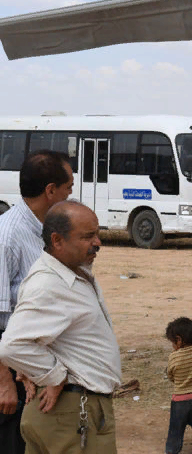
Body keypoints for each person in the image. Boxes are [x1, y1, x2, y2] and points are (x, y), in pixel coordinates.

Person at [0, 200, 121, 454]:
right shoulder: (49, 284)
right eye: (88, 236)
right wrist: (54, 375)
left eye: (97, 234)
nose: (98, 242)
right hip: (73, 413)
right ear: (57, 241)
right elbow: (12, 345)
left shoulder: (71, 273)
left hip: (69, 411)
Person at [0, 150, 74, 454]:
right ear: (50, 191)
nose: (72, 193)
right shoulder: (8, 236)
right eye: (68, 186)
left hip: (38, 368)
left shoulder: (47, 232)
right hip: (12, 374)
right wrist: (4, 382)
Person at [164, 317, 192, 454]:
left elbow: (170, 375)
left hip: (179, 401)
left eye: (172, 342)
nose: (172, 345)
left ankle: (172, 450)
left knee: (175, 429)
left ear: (178, 340)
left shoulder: (173, 357)